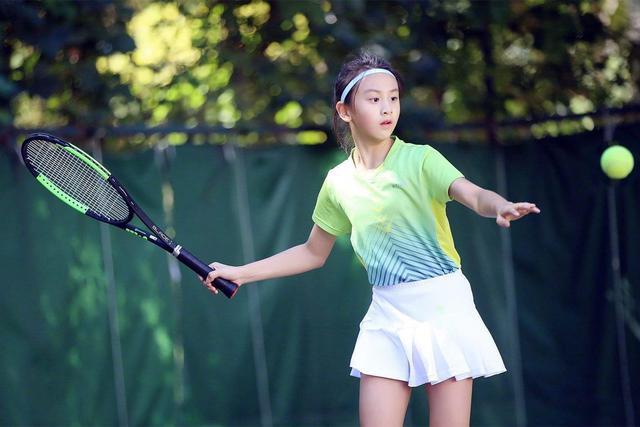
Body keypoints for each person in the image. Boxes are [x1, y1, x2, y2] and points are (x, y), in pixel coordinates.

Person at [202, 51, 540, 427]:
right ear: (345, 111)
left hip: (445, 306)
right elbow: (313, 252)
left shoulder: (422, 160)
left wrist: (499, 205)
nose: (387, 108)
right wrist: (242, 273)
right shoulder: (338, 183)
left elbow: (472, 194)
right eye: (374, 98)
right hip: (387, 314)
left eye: (393, 97)